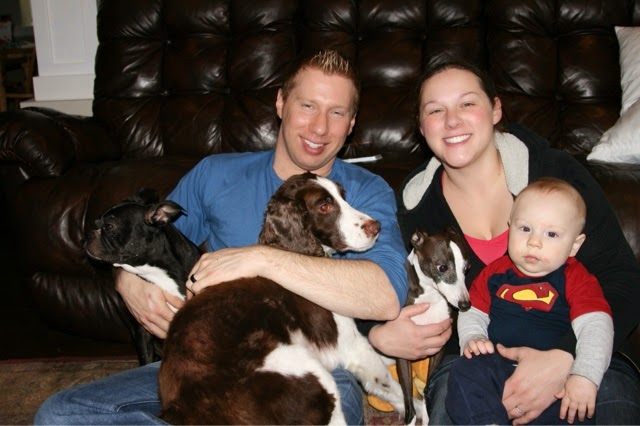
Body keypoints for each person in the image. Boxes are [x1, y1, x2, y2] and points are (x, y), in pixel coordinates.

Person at [34, 49, 409, 425]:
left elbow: (385, 298)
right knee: (61, 414)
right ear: (281, 103)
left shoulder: (365, 192)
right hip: (211, 362)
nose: (320, 128)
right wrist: (126, 278)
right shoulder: (215, 174)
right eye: (308, 106)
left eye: (337, 113)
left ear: (352, 123)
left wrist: (259, 257)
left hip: (315, 359)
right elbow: (151, 239)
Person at [367, 59, 640, 425]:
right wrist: (376, 333)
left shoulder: (556, 174)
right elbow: (372, 282)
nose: (452, 121)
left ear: (495, 110)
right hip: (470, 363)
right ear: (421, 126)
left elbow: (623, 278)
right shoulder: (413, 209)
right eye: (435, 110)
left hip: (585, 357)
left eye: (467, 103)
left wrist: (567, 357)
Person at [446, 177, 613, 425]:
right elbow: (474, 311)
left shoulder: (576, 279)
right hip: (496, 365)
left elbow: (596, 327)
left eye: (552, 233)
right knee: (463, 371)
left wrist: (584, 376)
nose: (534, 241)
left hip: (556, 379)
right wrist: (473, 337)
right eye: (524, 229)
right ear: (509, 228)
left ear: (574, 245)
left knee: (575, 408)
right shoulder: (495, 273)